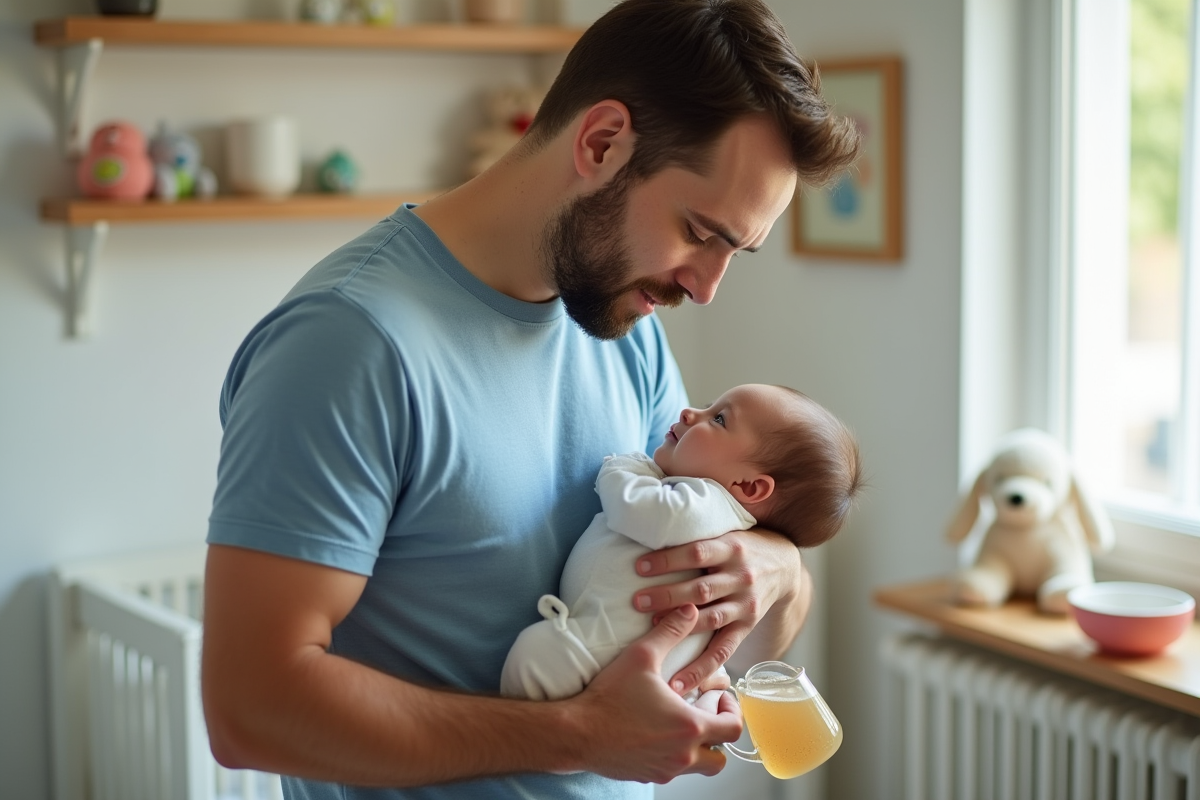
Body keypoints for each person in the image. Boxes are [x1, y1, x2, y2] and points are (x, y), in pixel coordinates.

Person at [200, 0, 861, 798]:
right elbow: (249, 710)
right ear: (602, 142)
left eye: (736, 253)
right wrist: (579, 735)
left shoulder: (623, 322)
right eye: (700, 231)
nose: (707, 286)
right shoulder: (348, 344)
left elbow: (745, 621)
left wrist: (780, 569)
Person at [501, 384, 862, 703]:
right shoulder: (714, 512)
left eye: (719, 419)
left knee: (534, 656)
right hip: (631, 656)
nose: (690, 412)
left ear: (748, 487)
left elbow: (646, 511)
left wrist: (625, 468)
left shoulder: (705, 503)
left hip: (599, 647)